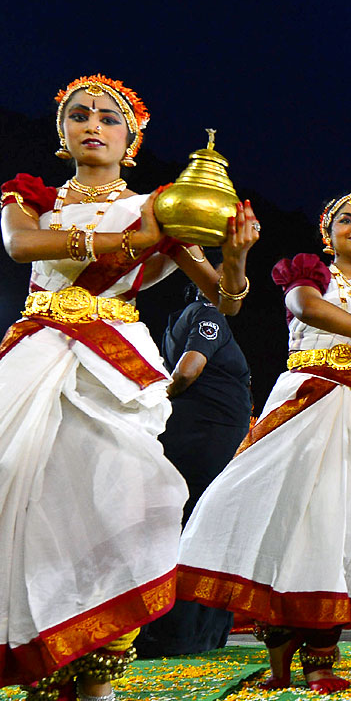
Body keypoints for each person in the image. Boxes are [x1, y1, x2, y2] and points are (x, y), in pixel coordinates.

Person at [0, 74, 258, 701]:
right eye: (79, 115)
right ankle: (46, 700)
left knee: (110, 512)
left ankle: (99, 696)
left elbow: (226, 300)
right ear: (63, 134)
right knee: (19, 511)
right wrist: (125, 244)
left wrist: (234, 257)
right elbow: (21, 247)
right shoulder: (32, 195)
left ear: (133, 140)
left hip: (114, 366)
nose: (93, 124)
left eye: (109, 118)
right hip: (35, 358)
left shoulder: (165, 207)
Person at [178, 193, 351, 693]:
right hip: (307, 404)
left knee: (346, 526)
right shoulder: (309, 276)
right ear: (325, 237)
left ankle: (321, 656)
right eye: (345, 219)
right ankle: (282, 652)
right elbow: (305, 308)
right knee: (287, 516)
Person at [134, 277, 254, 659]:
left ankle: (184, 628)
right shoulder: (209, 314)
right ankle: (183, 632)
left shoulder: (177, 321)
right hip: (204, 439)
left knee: (187, 524)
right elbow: (188, 370)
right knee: (202, 526)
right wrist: (159, 398)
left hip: (194, 436)